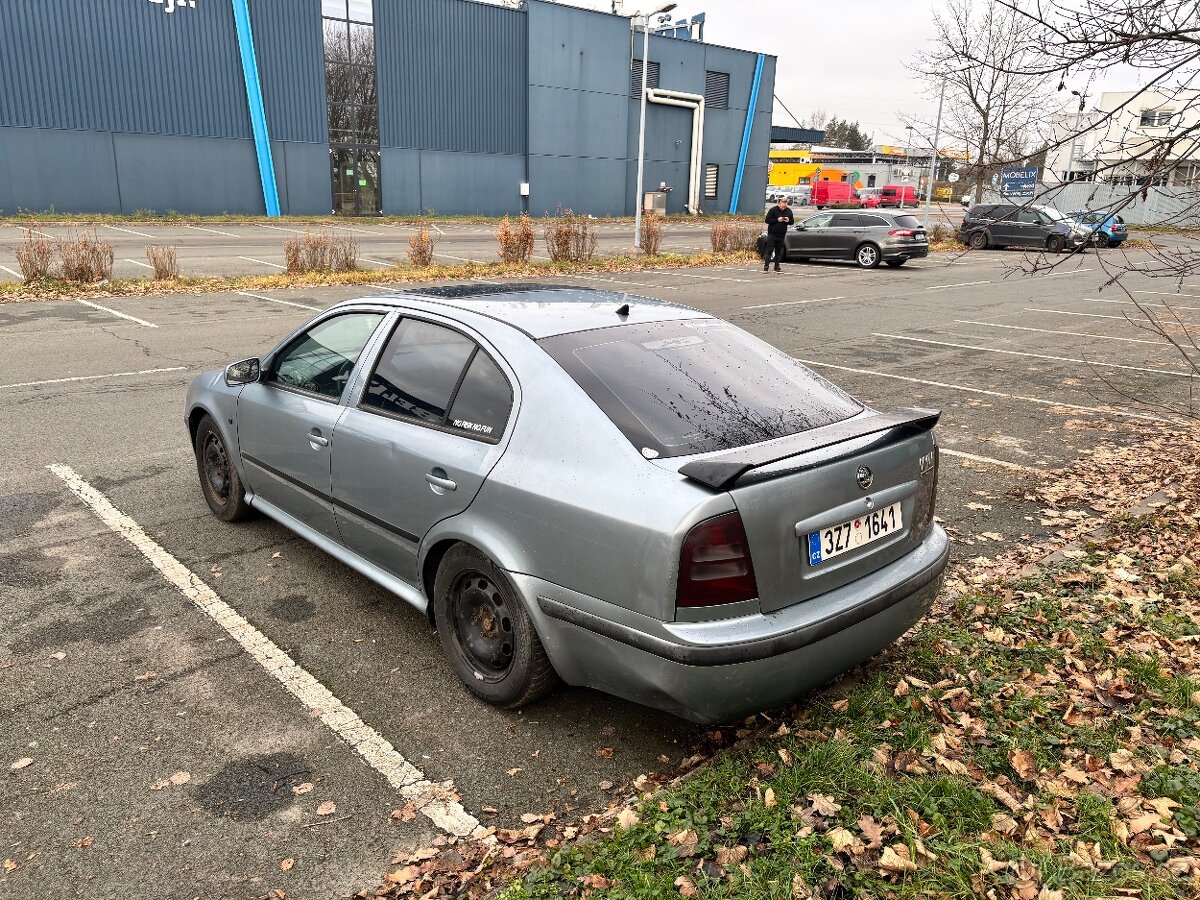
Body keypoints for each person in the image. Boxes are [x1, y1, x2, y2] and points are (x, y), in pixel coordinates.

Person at [763, 196, 793, 272]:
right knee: (770, 250)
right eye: (782, 206)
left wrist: (788, 220)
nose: (783, 208)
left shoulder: (789, 211)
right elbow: (767, 220)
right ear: (780, 203)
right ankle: (766, 267)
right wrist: (777, 220)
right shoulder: (773, 210)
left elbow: (792, 222)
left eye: (785, 206)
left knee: (778, 251)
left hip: (781, 234)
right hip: (772, 234)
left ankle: (777, 266)